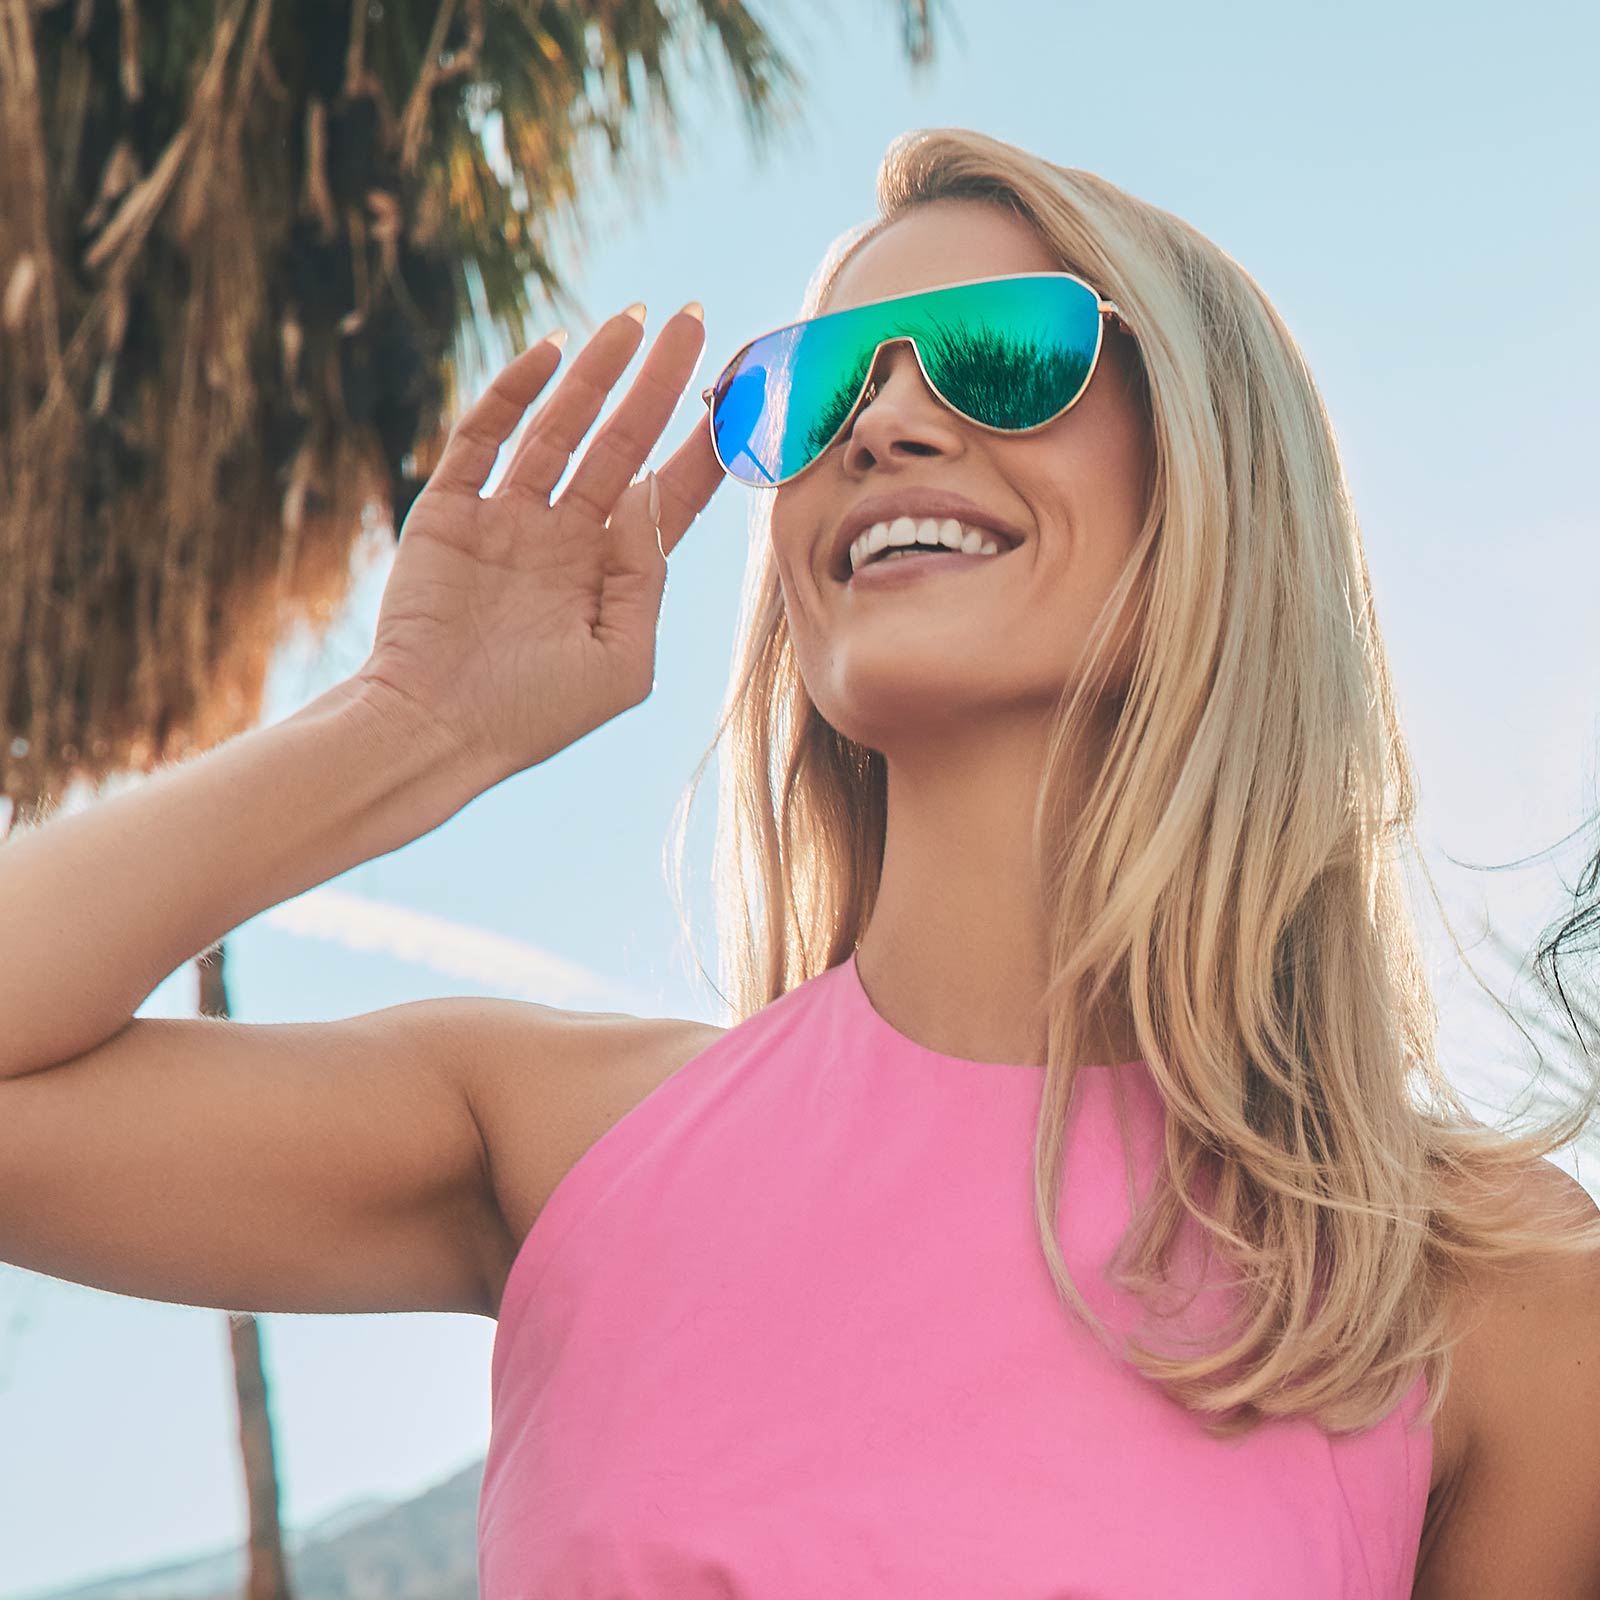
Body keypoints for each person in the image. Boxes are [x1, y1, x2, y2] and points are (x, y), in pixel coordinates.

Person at [1, 126, 1597, 1598]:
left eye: (1001, 356)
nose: (888, 422)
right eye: (816, 392)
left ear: (1215, 478)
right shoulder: (560, 1140)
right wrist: (414, 725)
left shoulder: (1486, 1289)